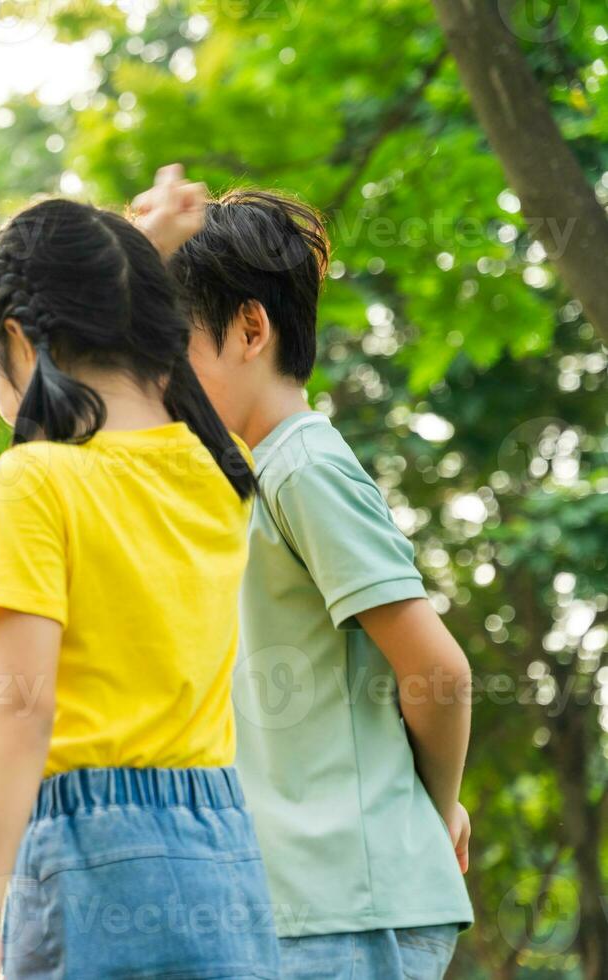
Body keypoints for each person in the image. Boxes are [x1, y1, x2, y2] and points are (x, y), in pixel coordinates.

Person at [0, 197, 279, 979]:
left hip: (89, 849)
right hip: (222, 845)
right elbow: (135, 395)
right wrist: (137, 257)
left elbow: (20, 706)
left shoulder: (35, 480)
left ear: (20, 342)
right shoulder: (222, 466)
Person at [169, 186, 474, 977]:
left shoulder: (304, 466)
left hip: (353, 910)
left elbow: (438, 672)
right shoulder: (252, 480)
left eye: (176, 353)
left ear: (250, 328)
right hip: (299, 908)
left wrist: (431, 814)